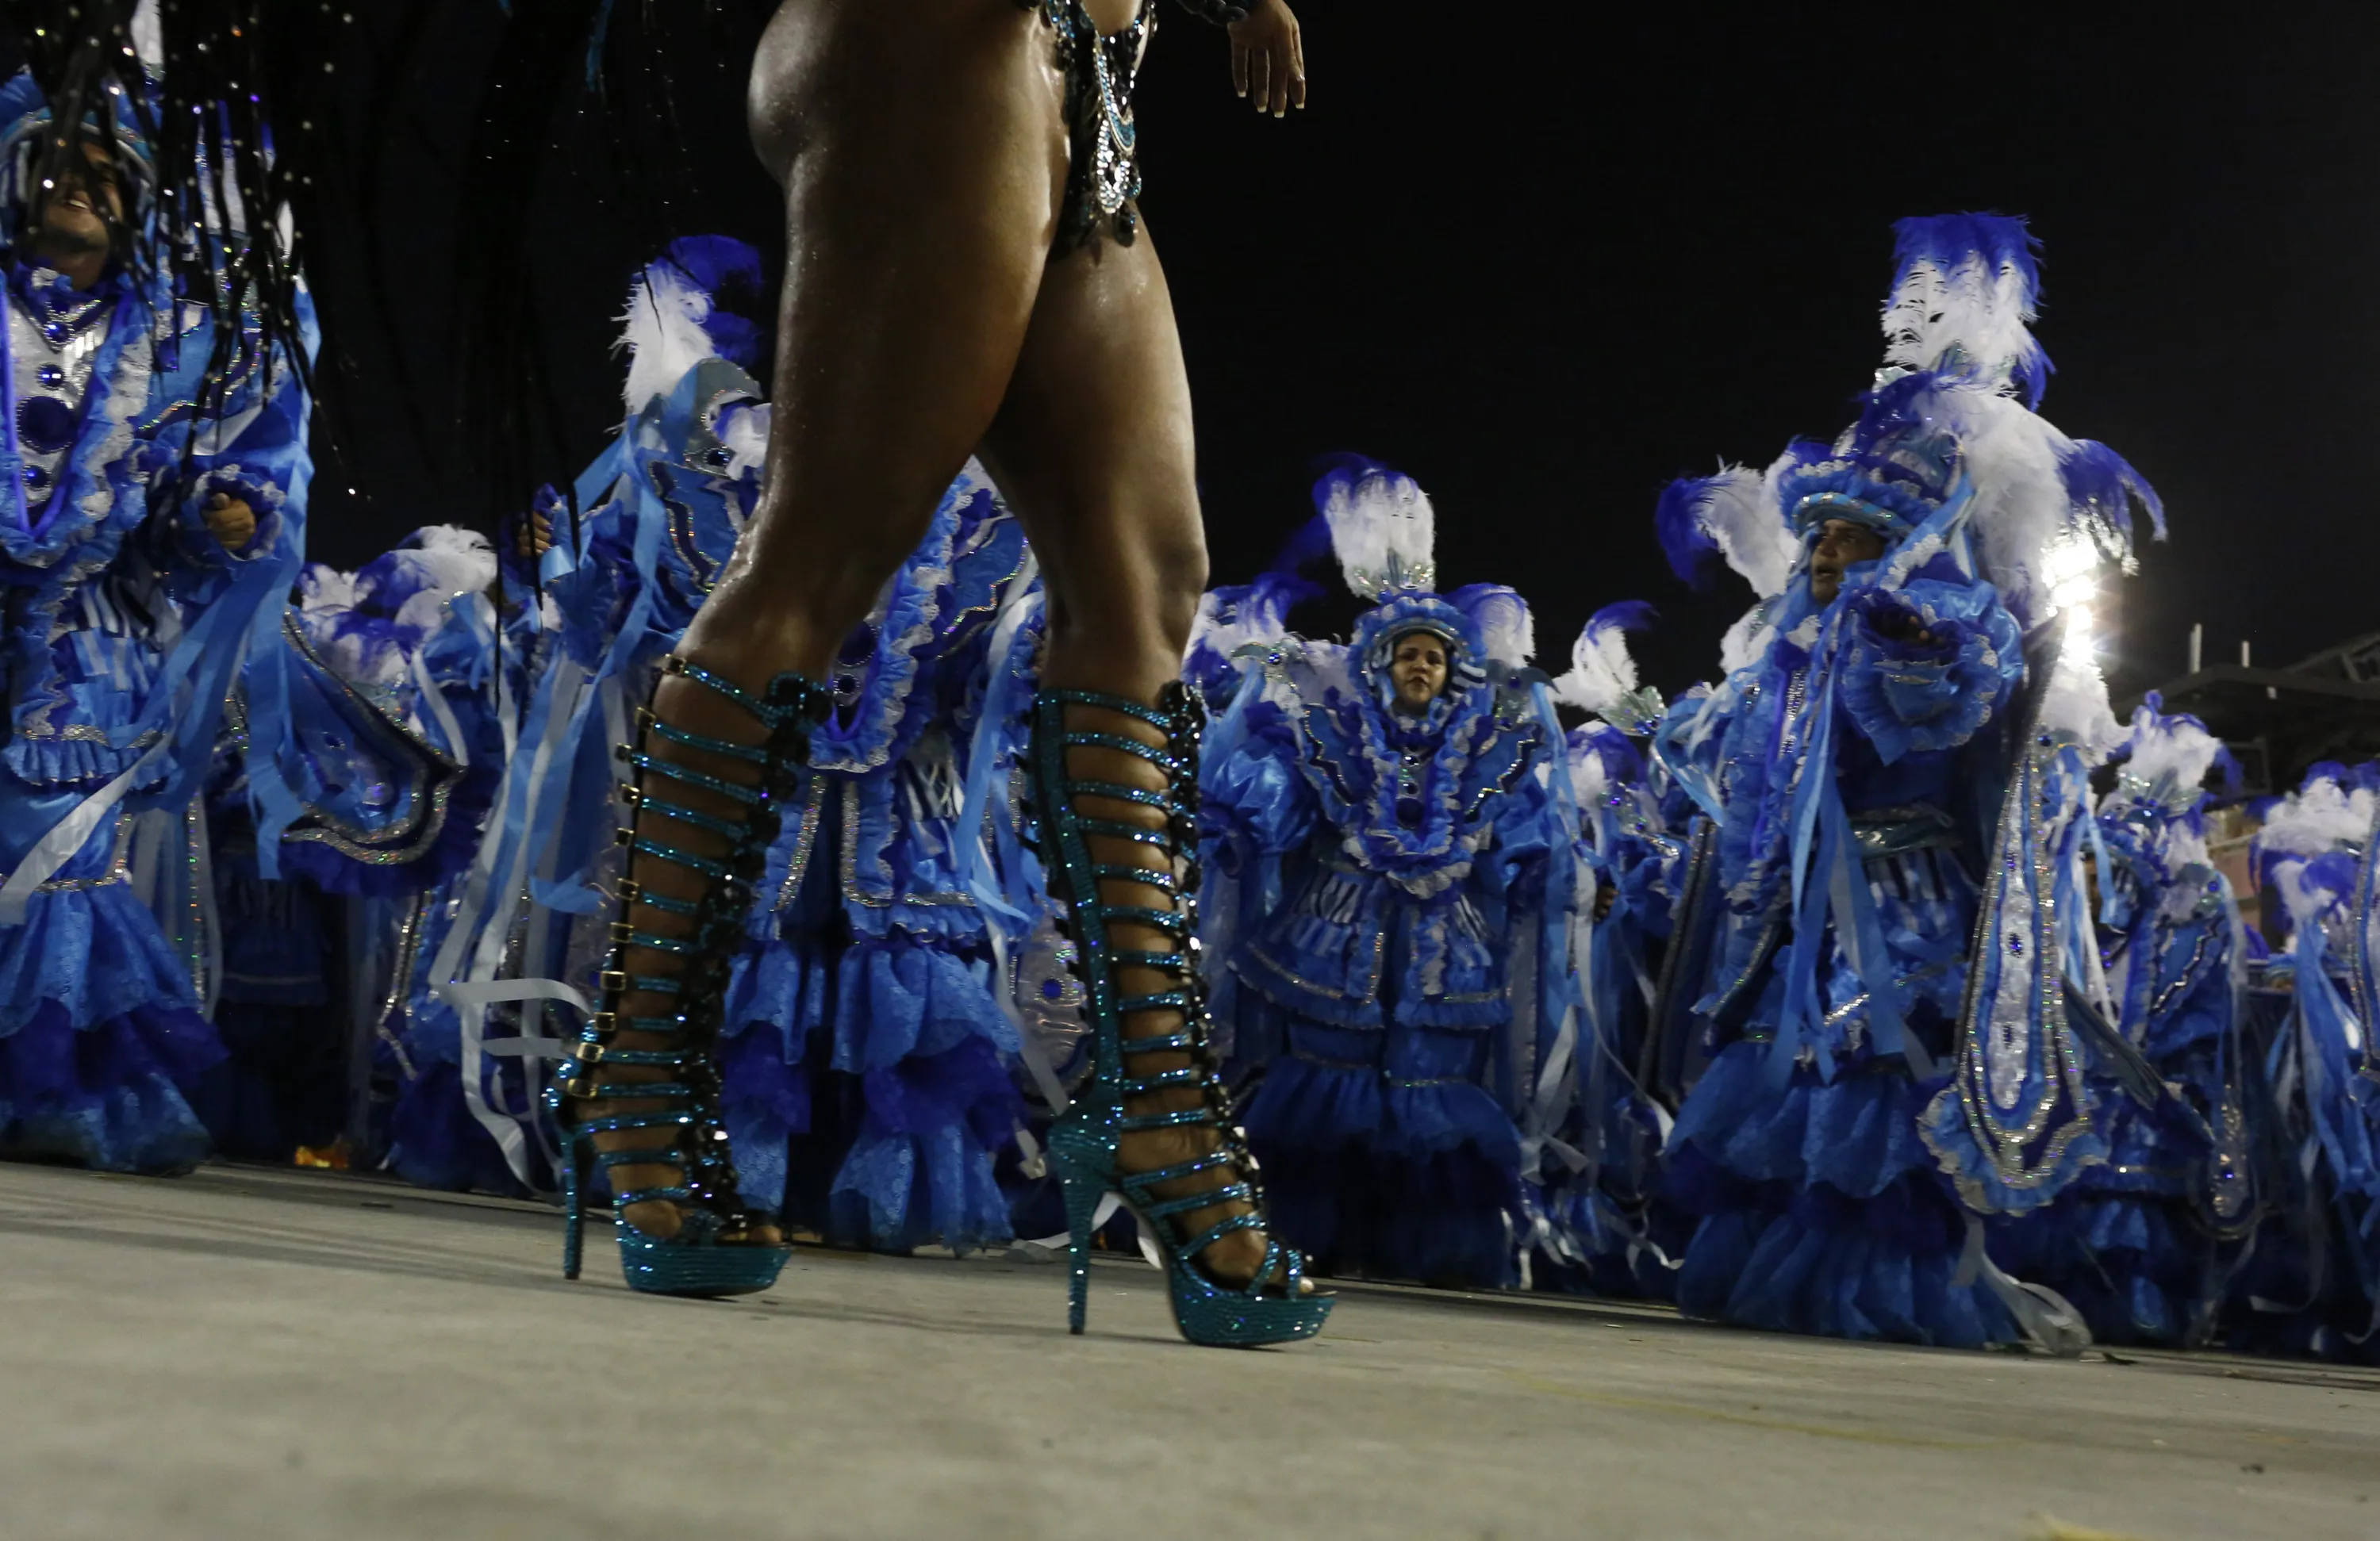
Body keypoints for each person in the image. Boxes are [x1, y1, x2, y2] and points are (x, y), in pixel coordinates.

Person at [537, 0, 1331, 1344]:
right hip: (938, 35)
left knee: (1145, 585)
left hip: (1086, 68)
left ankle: (1156, 1102)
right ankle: (634, 1068)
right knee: (819, 553)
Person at [1651, 214, 2160, 1349]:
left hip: (1909, 898)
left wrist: (1910, 632)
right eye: (1820, 538)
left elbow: (1947, 692)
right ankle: (1781, 1269)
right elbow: (1749, 772)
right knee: (1796, 1082)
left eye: (1852, 540)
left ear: (1905, 543)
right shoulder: (1786, 648)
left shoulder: (1942, 621)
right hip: (1808, 913)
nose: (1828, 555)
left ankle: (1883, 1285)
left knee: (1883, 1073)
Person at [0, 64, 314, 1173]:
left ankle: (54, 1091)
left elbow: (197, 501)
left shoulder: (183, 345)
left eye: (108, 172)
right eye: (60, 163)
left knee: (54, 842)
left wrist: (225, 515)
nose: (81, 184)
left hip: (78, 639)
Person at [1198, 461, 1576, 1289]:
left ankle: (1423, 1247)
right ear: (1379, 666)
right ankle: (1310, 1236)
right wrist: (1241, 819)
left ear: (1454, 672)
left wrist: (1546, 873)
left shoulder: (1491, 751)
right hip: (1337, 930)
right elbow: (1281, 809)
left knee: (1429, 1080)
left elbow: (1521, 835)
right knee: (1326, 1080)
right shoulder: (1330, 737)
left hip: (1444, 944)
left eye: (1434, 658)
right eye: (1407, 655)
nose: (1420, 667)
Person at [1988, 700, 2251, 1346]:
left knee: (2131, 1210)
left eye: (2112, 876)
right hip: (2080, 1085)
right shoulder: (2077, 934)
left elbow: (2197, 1020)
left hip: (2146, 1092)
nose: (2100, 887)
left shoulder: (2187, 931)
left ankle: (2129, 1305)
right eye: (2094, 872)